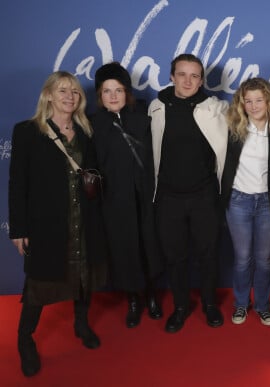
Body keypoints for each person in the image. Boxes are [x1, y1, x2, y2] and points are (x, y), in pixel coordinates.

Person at [9, 71, 108, 377]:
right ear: (48, 95)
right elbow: (18, 184)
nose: (70, 97)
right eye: (63, 91)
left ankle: (81, 324)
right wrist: (19, 229)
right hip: (48, 224)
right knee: (39, 286)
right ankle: (25, 341)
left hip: (85, 219)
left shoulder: (85, 130)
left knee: (83, 277)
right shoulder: (27, 131)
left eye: (75, 92)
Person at [149, 53, 228, 333]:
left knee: (208, 254)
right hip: (169, 197)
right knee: (175, 256)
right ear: (171, 76)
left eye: (194, 75)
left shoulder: (216, 109)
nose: (187, 80)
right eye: (182, 74)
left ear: (202, 80)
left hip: (204, 196)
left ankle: (209, 304)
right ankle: (180, 306)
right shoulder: (156, 108)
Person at [91, 62, 163, 328]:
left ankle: (152, 295)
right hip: (115, 202)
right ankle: (133, 300)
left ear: (127, 92)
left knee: (149, 248)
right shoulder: (93, 124)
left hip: (145, 197)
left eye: (118, 90)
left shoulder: (144, 116)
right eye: (107, 91)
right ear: (99, 95)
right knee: (125, 251)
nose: (113, 96)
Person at [221, 78, 270, 326]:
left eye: (259, 100)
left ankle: (263, 305)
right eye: (249, 101)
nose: (254, 106)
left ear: (268, 101)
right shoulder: (233, 127)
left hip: (268, 202)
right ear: (241, 104)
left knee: (264, 259)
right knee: (243, 257)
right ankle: (241, 304)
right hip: (238, 200)